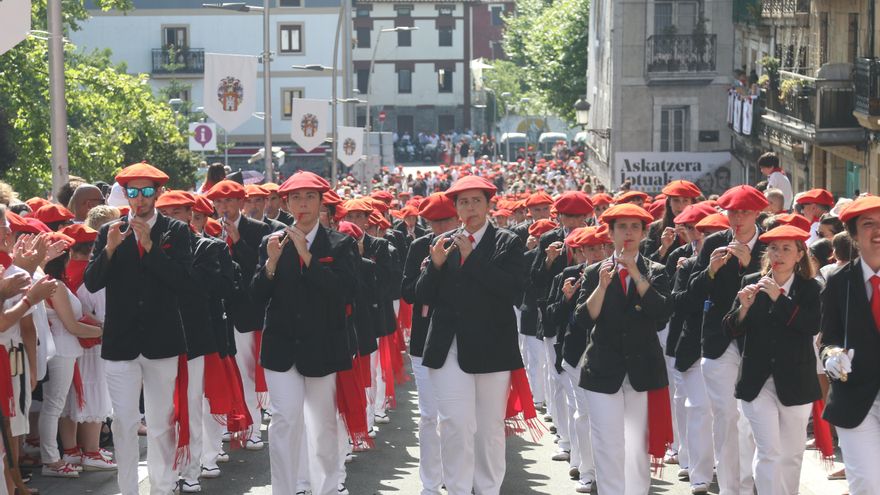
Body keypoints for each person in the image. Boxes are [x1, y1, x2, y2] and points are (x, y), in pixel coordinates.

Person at [84, 162, 194, 495]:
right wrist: (110, 250)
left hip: (162, 341)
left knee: (161, 423)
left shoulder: (177, 231)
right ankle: (127, 489)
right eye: (134, 192)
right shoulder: (109, 232)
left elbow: (184, 283)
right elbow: (92, 281)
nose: (140, 199)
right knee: (124, 422)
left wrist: (151, 248)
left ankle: (162, 487)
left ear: (159, 193)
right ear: (126, 194)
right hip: (121, 342)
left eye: (147, 191)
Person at [415, 175, 527, 495]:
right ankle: (459, 488)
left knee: (489, 428)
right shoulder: (442, 243)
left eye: (476, 200)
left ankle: (488, 489)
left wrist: (472, 259)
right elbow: (423, 296)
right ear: (455, 208)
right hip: (448, 345)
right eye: (463, 202)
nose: (470, 207)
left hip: (493, 345)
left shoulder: (508, 241)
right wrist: (434, 266)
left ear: (489, 205)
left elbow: (512, 291)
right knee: (455, 425)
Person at [251, 171, 358, 495]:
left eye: (310, 197)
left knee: (322, 425)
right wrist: (270, 264)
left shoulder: (341, 244)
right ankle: (283, 489)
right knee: (284, 422)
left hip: (322, 348)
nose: (303, 204)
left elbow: (345, 292)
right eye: (295, 198)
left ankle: (325, 488)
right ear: (285, 203)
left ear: (321, 202)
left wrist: (308, 258)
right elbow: (255, 297)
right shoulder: (272, 243)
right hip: (280, 347)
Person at [573, 203, 673, 495]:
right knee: (607, 441)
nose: (628, 233)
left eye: (634, 227)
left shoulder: (656, 270)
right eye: (622, 227)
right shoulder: (594, 272)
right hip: (602, 367)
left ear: (643, 233)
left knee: (636, 442)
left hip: (642, 368)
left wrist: (635, 273)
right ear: (611, 232)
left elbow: (662, 311)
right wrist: (602, 287)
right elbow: (582, 318)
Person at [723, 224, 821, 495]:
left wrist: (780, 299)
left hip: (797, 380)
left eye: (786, 248)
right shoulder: (751, 281)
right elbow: (731, 328)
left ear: (800, 254)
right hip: (757, 380)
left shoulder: (810, 288)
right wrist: (743, 308)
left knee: (791, 454)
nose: (778, 254)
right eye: (774, 248)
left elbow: (811, 325)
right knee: (769, 451)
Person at [689, 185, 767, 495]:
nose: (737, 218)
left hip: (757, 342)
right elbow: (692, 292)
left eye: (744, 212)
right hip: (719, 340)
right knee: (725, 416)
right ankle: (731, 488)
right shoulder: (713, 243)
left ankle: (748, 485)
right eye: (732, 211)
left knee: (750, 418)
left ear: (757, 214)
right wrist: (710, 270)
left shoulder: (771, 244)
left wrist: (749, 267)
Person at [401, 192, 460, 495]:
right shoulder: (417, 247)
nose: (441, 228)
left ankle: (458, 476)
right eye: (434, 223)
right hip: (425, 339)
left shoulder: (469, 246)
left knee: (459, 417)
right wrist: (430, 268)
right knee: (429, 415)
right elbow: (409, 292)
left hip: (464, 340)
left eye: (446, 220)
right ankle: (430, 483)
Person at [206, 179, 273, 450]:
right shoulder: (210, 230)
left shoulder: (259, 229)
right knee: (225, 374)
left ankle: (253, 427)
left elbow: (259, 268)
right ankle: (227, 426)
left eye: (230, 201)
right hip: (218, 312)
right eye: (219, 202)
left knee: (248, 374)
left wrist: (236, 240)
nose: (224, 207)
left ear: (240, 202)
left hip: (247, 312)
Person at [820, 195, 880, 495]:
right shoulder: (839, 281)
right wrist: (831, 356)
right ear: (854, 236)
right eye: (868, 225)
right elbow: (828, 337)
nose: (877, 232)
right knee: (867, 484)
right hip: (855, 398)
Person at [38, 231, 104, 478]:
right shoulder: (54, 285)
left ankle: (54, 457)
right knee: (53, 406)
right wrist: (105, 331)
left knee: (56, 406)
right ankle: (51, 461)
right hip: (62, 350)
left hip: (63, 349)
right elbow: (72, 325)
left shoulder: (53, 283)